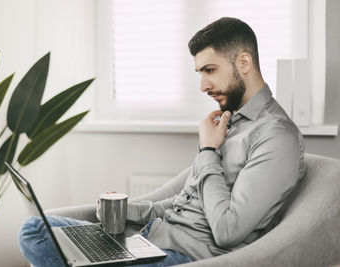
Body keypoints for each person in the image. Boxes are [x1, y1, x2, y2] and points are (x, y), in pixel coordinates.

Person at [18, 17, 306, 267]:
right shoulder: (226, 122)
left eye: (209, 70)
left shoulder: (276, 136)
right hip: (151, 240)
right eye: (199, 73)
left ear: (243, 62)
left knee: (42, 240)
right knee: (35, 229)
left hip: (184, 256)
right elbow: (182, 205)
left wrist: (208, 150)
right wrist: (125, 211)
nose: (202, 86)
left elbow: (227, 231)